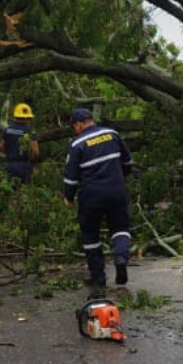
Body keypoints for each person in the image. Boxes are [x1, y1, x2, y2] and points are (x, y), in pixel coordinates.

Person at [62, 107, 134, 289]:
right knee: (121, 227)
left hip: (91, 196)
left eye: (74, 127)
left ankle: (98, 277)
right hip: (116, 191)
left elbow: (71, 178)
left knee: (90, 234)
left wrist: (68, 197)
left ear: (78, 124)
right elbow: (127, 161)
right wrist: (124, 175)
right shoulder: (112, 134)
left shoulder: (77, 144)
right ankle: (120, 257)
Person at [0, 103, 41, 183]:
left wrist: (11, 152)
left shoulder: (7, 130)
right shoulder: (30, 132)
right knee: (23, 192)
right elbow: (35, 153)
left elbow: (1, 146)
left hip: (9, 165)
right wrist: (34, 165)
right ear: (28, 117)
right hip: (24, 166)